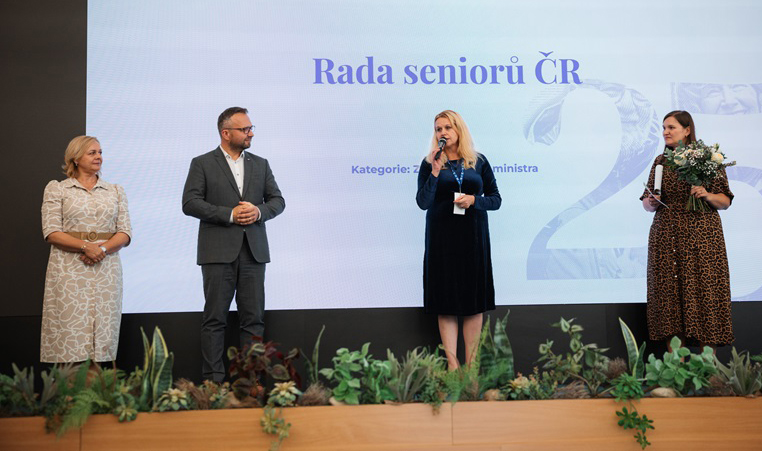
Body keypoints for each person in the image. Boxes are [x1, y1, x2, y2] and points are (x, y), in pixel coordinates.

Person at [182, 106, 285, 382]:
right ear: (226, 133)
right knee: (215, 320)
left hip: (254, 253)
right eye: (245, 129)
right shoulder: (202, 163)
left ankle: (251, 383)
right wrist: (229, 214)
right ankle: (213, 383)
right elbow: (190, 203)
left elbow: (278, 201)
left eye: (251, 128)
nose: (251, 133)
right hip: (217, 253)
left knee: (253, 321)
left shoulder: (261, 164)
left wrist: (258, 211)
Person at [416, 110, 501, 370]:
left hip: (473, 239)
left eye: (447, 127)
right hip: (442, 240)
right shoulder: (430, 163)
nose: (442, 133)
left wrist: (474, 200)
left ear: (458, 129)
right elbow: (422, 202)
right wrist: (434, 172)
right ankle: (453, 369)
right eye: (438, 129)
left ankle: (471, 370)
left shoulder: (478, 161)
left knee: (473, 304)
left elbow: (496, 200)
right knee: (446, 303)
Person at [641, 110, 734, 350]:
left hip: (702, 237)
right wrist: (651, 202)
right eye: (663, 128)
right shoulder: (660, 162)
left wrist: (706, 194)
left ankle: (708, 366)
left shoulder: (709, 158)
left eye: (671, 127)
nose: (665, 132)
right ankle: (676, 365)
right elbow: (646, 203)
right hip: (666, 236)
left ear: (687, 130)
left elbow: (725, 200)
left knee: (705, 294)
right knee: (670, 299)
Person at [40, 136, 132, 363]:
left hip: (106, 269)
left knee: (103, 335)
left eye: (100, 152)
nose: (98, 157)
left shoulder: (115, 191)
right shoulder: (58, 189)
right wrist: (85, 247)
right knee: (69, 335)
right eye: (92, 153)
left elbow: (125, 232)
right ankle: (70, 384)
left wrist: (101, 250)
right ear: (75, 157)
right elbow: (51, 231)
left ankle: (98, 382)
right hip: (69, 270)